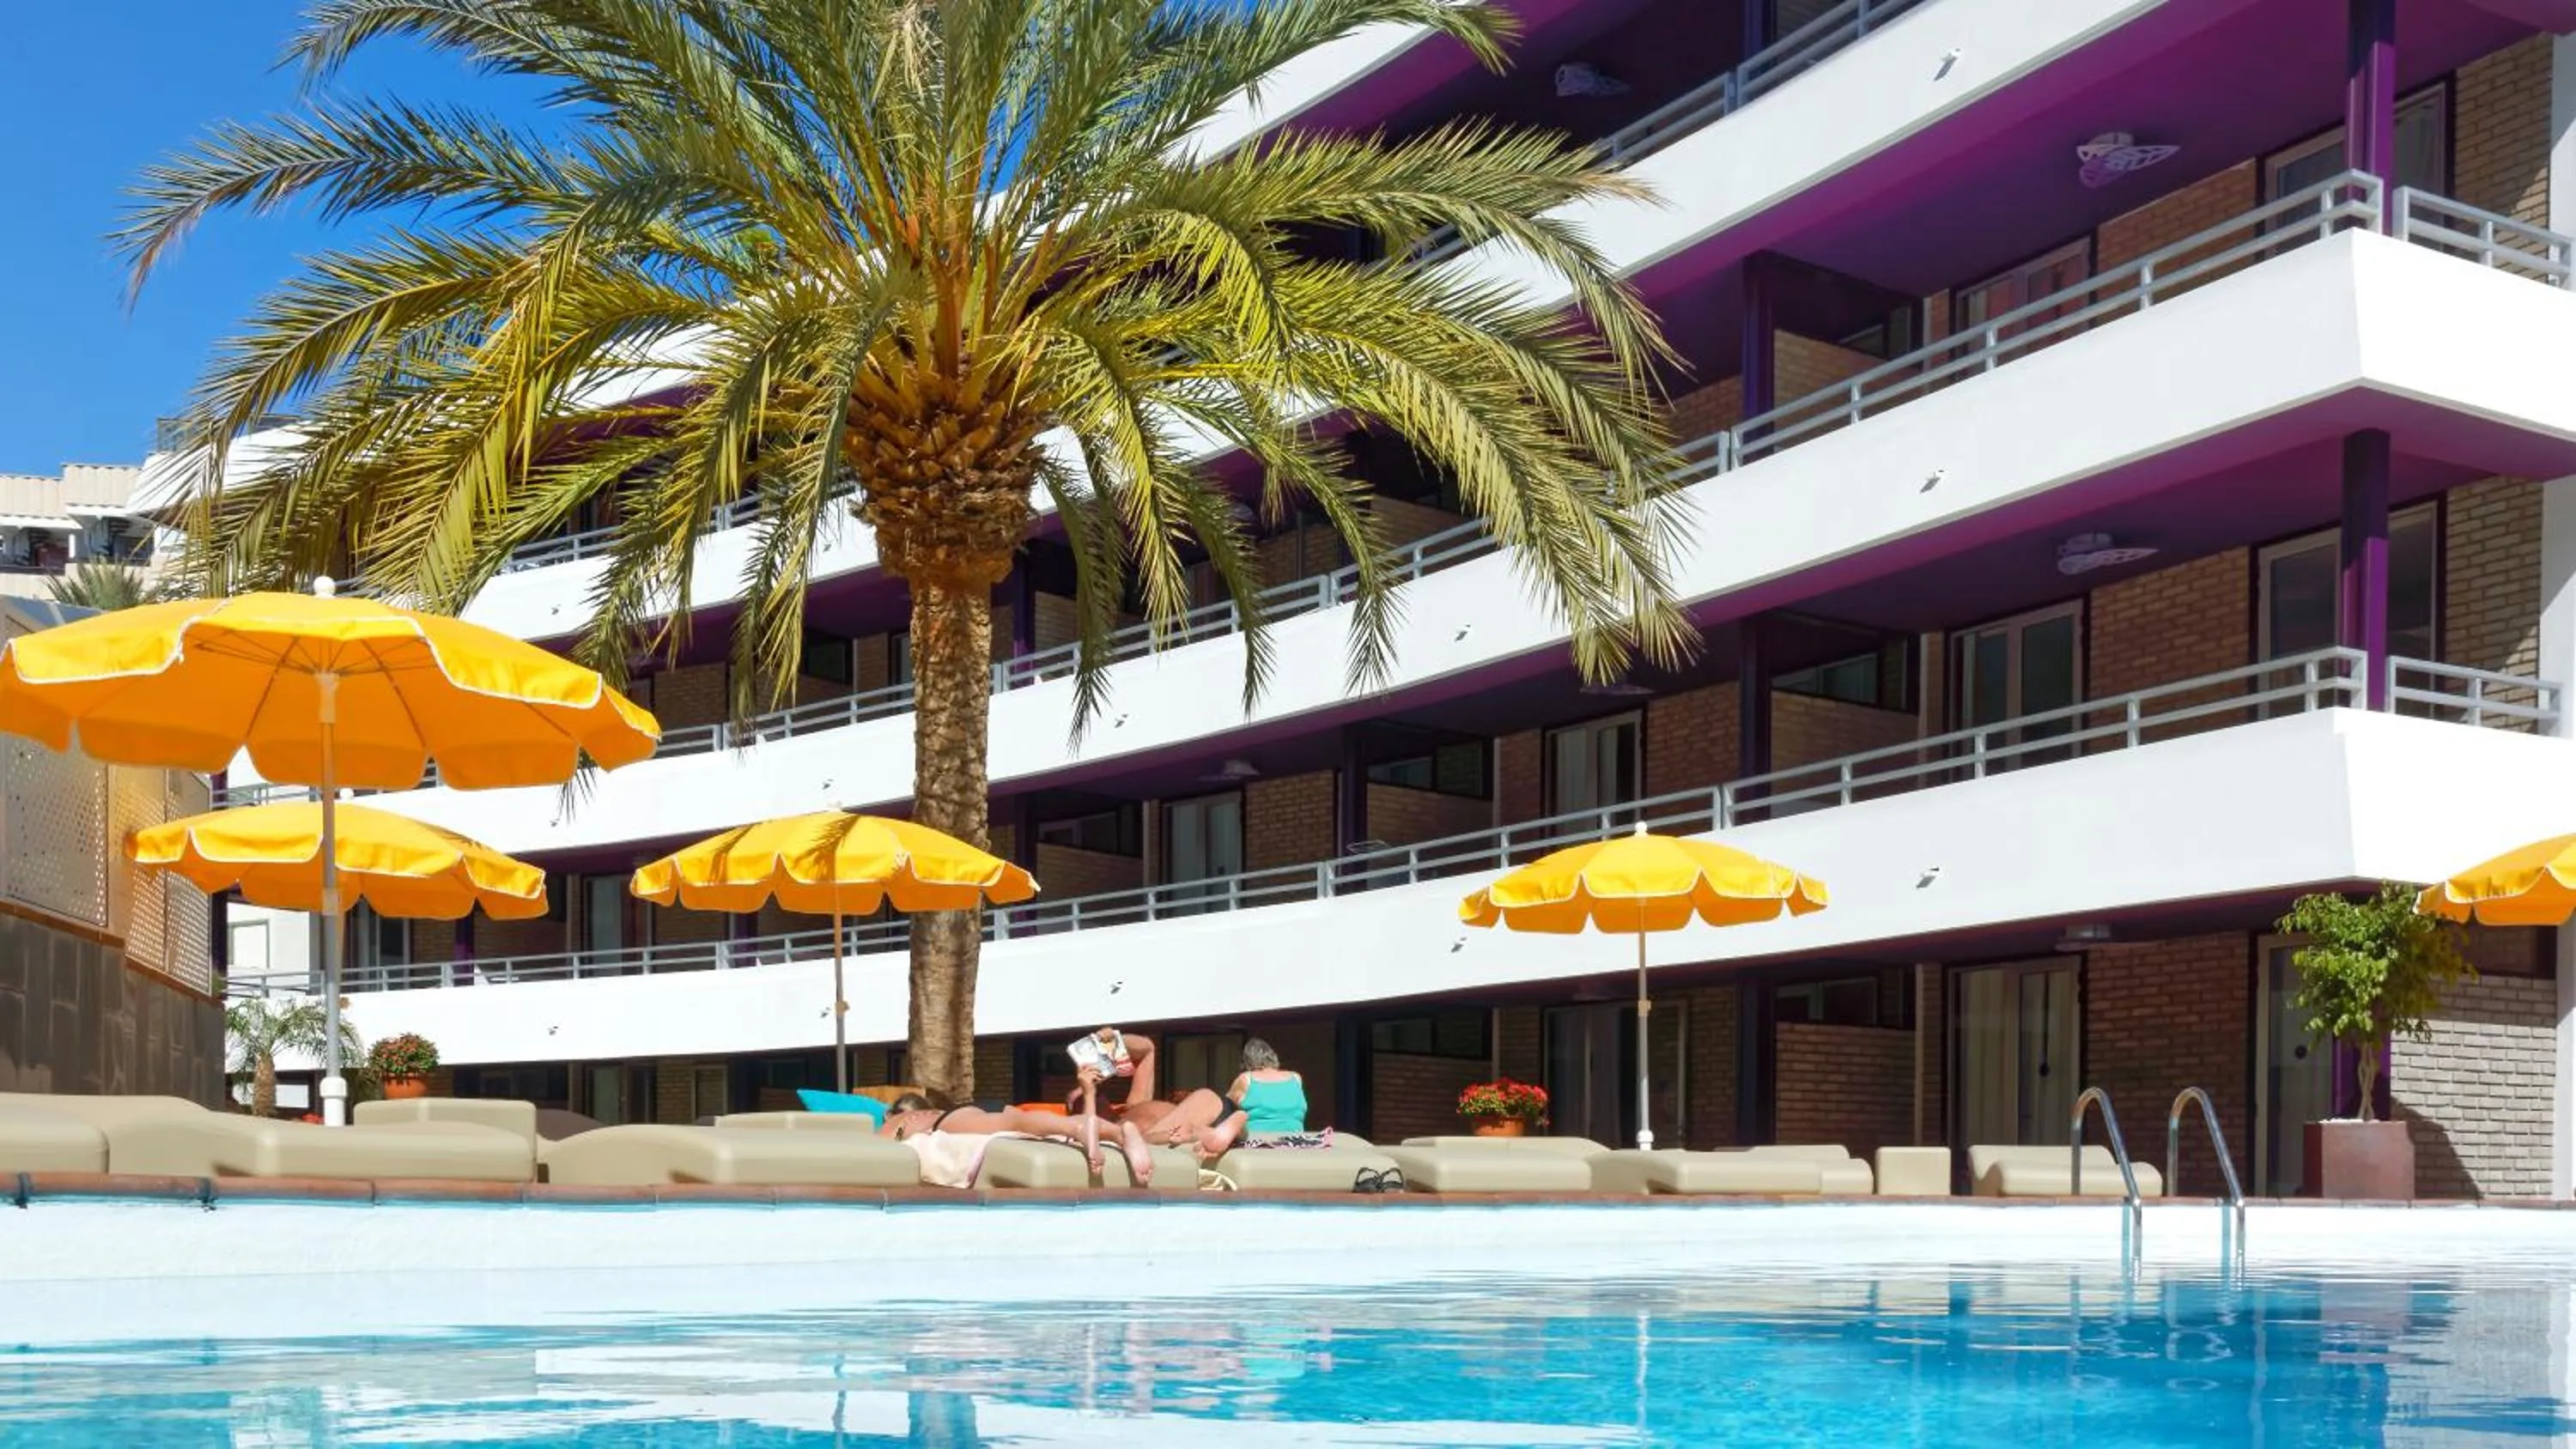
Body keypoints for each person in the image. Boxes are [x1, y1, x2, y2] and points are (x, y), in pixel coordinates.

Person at [877, 1093, 1156, 1185]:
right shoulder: (930, 1112)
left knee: (1014, 1121)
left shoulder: (898, 1122)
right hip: (963, 1113)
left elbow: (874, 1151)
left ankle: (1078, 1131)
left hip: (951, 1121)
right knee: (1018, 1122)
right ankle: (1117, 1131)